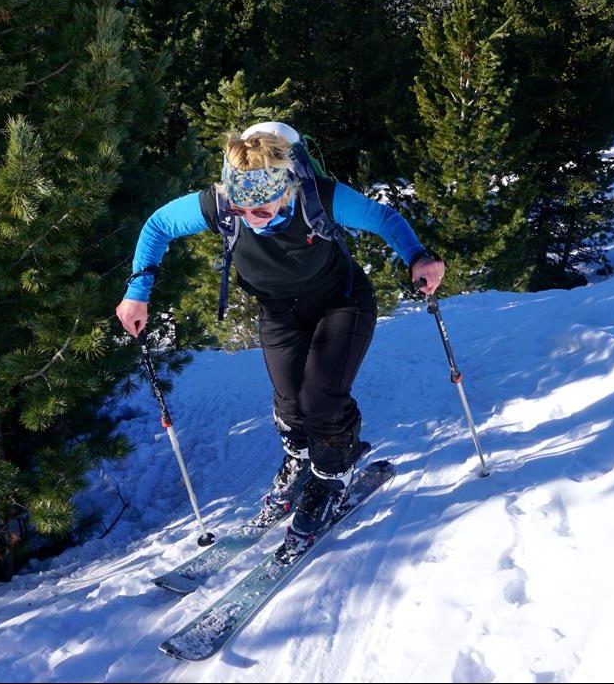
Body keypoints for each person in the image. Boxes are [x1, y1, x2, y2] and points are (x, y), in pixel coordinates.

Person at [115, 121, 445, 546]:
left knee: (320, 400)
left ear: (284, 191)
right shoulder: (221, 204)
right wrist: (137, 292)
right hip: (278, 310)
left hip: (341, 302)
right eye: (240, 210)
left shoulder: (318, 198)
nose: (249, 220)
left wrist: (417, 256)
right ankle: (302, 460)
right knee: (289, 403)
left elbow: (382, 218)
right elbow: (159, 225)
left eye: (261, 210)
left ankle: (333, 474)